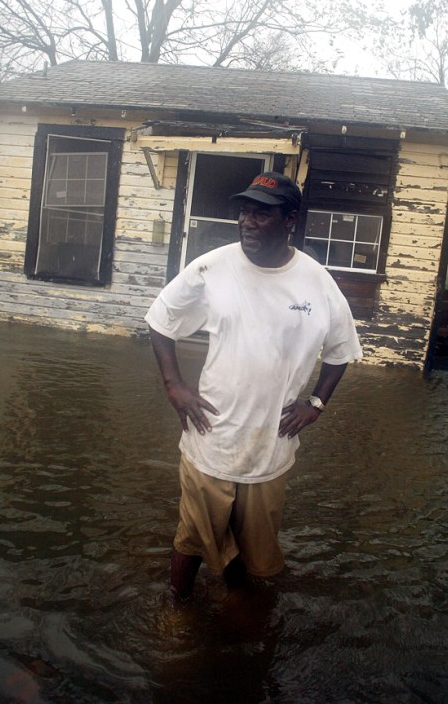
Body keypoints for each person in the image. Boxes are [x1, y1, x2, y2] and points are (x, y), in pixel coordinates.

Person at [145, 171, 362, 600]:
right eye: (244, 211)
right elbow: (160, 318)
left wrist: (316, 403)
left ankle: (241, 618)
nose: (247, 221)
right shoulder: (213, 267)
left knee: (255, 553)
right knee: (190, 538)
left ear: (289, 220)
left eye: (262, 214)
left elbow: (342, 349)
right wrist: (174, 384)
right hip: (212, 436)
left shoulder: (317, 282)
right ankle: (177, 612)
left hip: (271, 447)